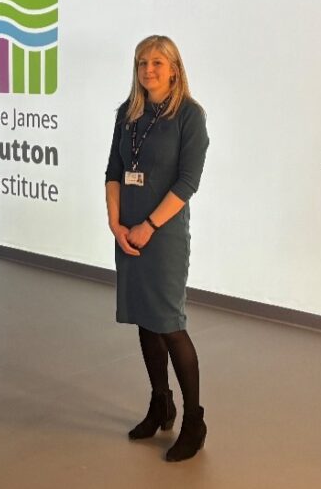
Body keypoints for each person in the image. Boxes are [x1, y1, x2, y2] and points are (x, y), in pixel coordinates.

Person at [104, 36, 210, 461]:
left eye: (157, 62)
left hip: (161, 236)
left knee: (168, 322)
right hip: (127, 233)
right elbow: (114, 170)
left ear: (174, 69)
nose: (148, 69)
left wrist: (148, 225)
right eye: (142, 62)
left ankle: (194, 420)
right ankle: (160, 403)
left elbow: (188, 182)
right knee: (145, 322)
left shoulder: (190, 116)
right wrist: (116, 223)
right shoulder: (127, 114)